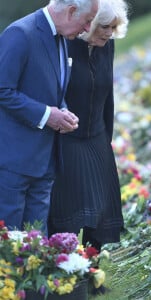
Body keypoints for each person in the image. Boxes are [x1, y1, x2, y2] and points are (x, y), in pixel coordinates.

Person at [0, 0, 98, 233]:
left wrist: (62, 111)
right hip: (14, 161)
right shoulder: (20, 33)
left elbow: (50, 88)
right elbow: (2, 89)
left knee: (37, 243)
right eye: (87, 21)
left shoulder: (62, 37)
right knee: (9, 244)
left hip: (45, 161)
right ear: (71, 11)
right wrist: (46, 115)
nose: (87, 29)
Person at [48, 0, 129, 252]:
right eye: (104, 26)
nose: (109, 32)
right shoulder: (65, 44)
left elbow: (108, 96)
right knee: (68, 210)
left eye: (114, 27)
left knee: (102, 210)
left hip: (97, 136)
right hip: (67, 138)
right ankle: (66, 274)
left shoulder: (108, 46)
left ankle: (92, 273)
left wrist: (107, 139)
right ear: (89, 23)